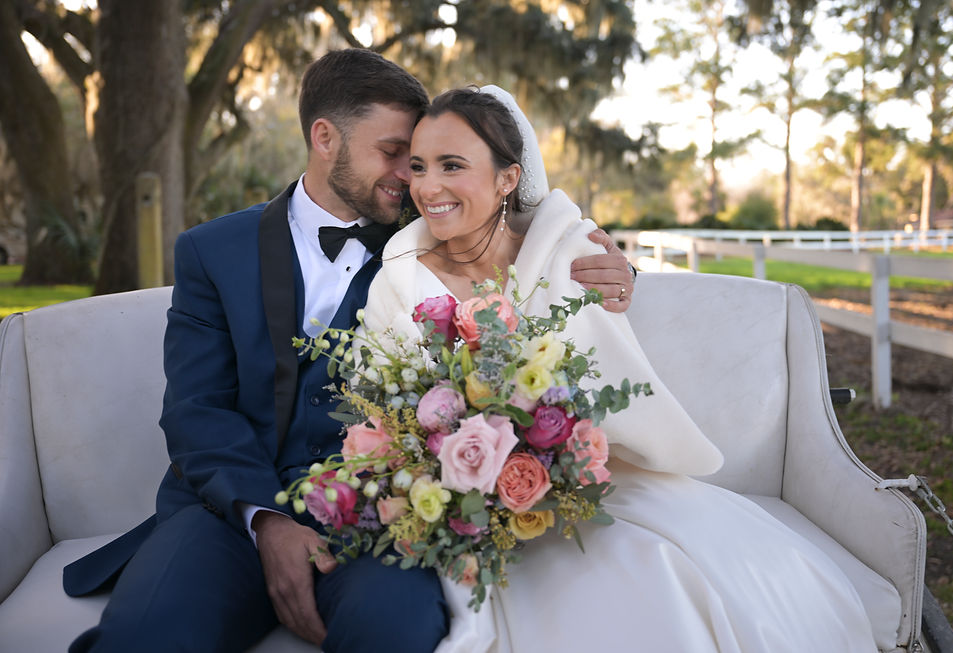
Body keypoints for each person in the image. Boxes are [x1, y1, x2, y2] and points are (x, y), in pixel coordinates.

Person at [61, 50, 635, 652]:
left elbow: (521, 237)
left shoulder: (433, 240)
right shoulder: (211, 251)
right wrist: (266, 522)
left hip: (378, 517)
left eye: (416, 158)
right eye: (393, 153)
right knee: (144, 637)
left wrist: (617, 271)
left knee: (396, 629)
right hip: (225, 516)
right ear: (325, 138)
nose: (411, 178)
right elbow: (196, 409)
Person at [360, 85, 890, 652]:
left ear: (508, 178)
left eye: (452, 165)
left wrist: (551, 457)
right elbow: (383, 407)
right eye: (419, 166)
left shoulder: (568, 257)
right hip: (464, 505)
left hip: (589, 483)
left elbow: (598, 376)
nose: (427, 187)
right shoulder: (398, 279)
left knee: (659, 569)